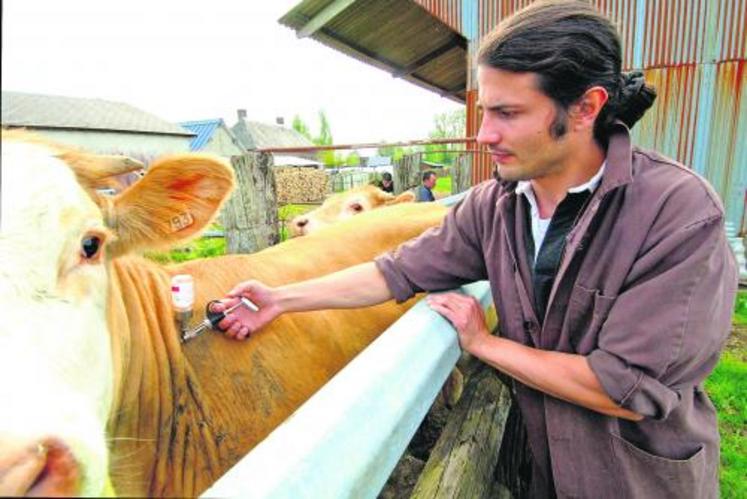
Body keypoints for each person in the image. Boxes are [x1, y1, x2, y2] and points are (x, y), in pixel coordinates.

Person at [212, 1, 737, 497]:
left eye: (508, 113)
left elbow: (627, 388)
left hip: (633, 480)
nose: (484, 134)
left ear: (585, 108)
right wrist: (281, 299)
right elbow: (395, 272)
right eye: (484, 110)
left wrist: (484, 345)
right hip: (539, 467)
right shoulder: (496, 206)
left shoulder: (678, 213)